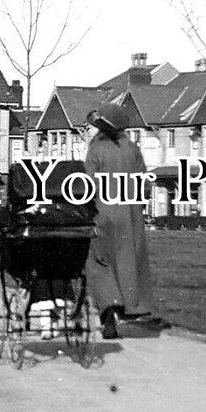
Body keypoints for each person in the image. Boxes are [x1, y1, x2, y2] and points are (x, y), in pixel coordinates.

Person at [83, 103, 157, 339]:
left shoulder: (96, 150)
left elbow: (88, 185)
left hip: (103, 212)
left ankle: (108, 311)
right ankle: (132, 307)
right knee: (128, 261)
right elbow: (144, 183)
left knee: (99, 263)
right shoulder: (132, 148)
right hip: (130, 214)